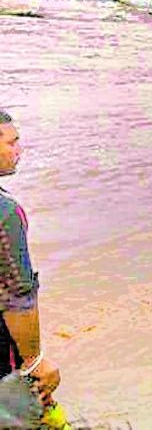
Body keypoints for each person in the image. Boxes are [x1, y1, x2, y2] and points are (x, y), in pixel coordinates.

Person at [0, 111, 61, 403]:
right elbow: (18, 296)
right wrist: (35, 361)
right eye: (12, 143)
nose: (19, 150)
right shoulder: (6, 214)